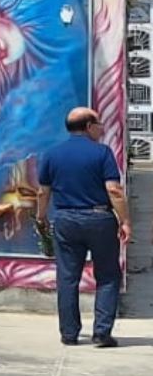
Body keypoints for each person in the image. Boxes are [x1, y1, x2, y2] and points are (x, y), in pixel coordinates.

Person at [35, 106, 129, 347]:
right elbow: (114, 190)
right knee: (108, 275)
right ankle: (101, 333)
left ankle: (69, 334)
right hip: (99, 219)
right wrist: (125, 220)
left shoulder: (51, 154)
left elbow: (42, 192)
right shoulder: (102, 153)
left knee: (67, 278)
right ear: (88, 126)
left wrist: (41, 217)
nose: (102, 128)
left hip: (65, 220)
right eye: (99, 123)